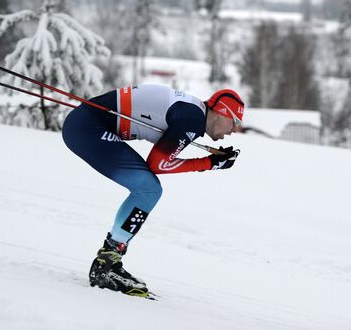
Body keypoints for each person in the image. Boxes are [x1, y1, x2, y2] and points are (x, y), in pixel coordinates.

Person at [62, 84, 244, 297]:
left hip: (86, 124)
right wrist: (209, 163)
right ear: (222, 113)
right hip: (88, 129)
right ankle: (106, 265)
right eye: (235, 122)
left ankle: (108, 260)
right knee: (148, 189)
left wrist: (210, 161)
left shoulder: (193, 113)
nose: (234, 130)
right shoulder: (192, 119)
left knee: (148, 188)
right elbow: (159, 164)